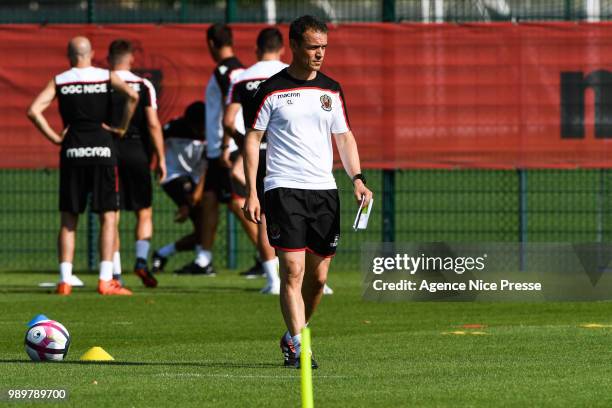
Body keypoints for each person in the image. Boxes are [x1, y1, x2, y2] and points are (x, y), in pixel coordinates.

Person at [243, 16, 373, 368]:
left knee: (317, 279)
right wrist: (252, 192)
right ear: (295, 46)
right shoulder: (270, 90)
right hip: (283, 188)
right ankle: (301, 347)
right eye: (314, 47)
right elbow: (252, 140)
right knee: (293, 270)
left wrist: (357, 179)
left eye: (324, 48)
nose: (320, 54)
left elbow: (344, 137)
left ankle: (292, 335)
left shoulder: (331, 89)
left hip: (324, 192)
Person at [27, 36, 139, 296]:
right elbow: (132, 96)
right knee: (108, 216)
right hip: (102, 150)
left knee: (69, 218)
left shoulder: (61, 80)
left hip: (72, 151)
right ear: (92, 53)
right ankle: (105, 279)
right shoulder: (106, 75)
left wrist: (55, 137)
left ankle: (65, 280)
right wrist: (121, 127)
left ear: (69, 55)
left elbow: (33, 110)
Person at [178, 23, 258, 276]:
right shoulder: (233, 69)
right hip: (217, 149)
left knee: (238, 203)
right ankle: (204, 259)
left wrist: (228, 144)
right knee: (210, 201)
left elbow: (232, 108)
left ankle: (268, 256)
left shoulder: (228, 71)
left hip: (229, 147)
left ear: (211, 43)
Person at [224, 27, 287, 294]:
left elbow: (228, 121)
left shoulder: (242, 78)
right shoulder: (290, 73)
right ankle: (315, 278)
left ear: (256, 49)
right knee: (299, 212)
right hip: (288, 151)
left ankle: (273, 281)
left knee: (264, 214)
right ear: (283, 48)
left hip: (258, 152)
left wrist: (243, 141)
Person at [107, 39, 166, 288]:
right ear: (131, 59)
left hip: (108, 150)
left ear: (110, 59)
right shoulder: (143, 85)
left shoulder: (103, 82)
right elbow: (153, 124)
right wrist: (161, 158)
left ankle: (116, 273)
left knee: (112, 213)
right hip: (136, 150)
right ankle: (141, 261)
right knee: (144, 211)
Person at [151, 102, 207, 272]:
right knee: (202, 225)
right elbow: (156, 138)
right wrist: (158, 162)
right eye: (197, 126)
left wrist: (197, 193)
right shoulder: (174, 127)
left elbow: (208, 164)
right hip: (173, 176)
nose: (200, 131)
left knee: (204, 228)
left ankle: (162, 254)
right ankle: (201, 262)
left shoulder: (212, 131)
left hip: (196, 178)